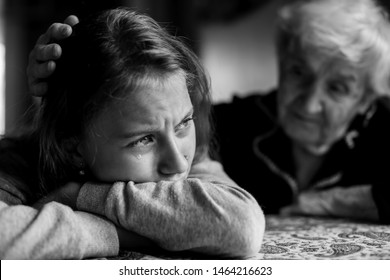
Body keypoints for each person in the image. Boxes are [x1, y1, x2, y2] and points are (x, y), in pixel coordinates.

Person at [26, 0, 390, 224]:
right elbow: (125, 129)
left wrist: (332, 203)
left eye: (338, 87)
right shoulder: (230, 122)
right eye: (299, 73)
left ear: (367, 97)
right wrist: (57, 100)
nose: (310, 103)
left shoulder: (383, 129)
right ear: (281, 63)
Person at [0, 8, 265, 259]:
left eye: (184, 123)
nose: (178, 162)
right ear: (74, 149)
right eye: (144, 140)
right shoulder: (16, 169)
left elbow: (241, 225)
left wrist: (80, 196)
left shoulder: (191, 161)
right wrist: (122, 233)